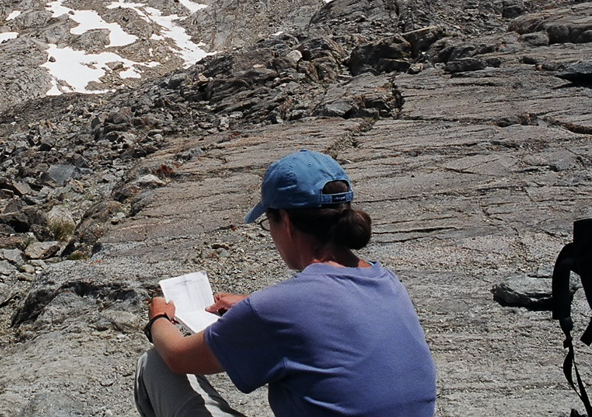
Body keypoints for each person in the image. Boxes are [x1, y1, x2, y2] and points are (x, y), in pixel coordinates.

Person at [135, 150, 436, 417]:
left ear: (287, 222)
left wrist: (159, 318)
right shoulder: (386, 281)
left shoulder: (279, 308)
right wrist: (251, 304)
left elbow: (177, 356)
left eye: (269, 222)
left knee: (155, 363)